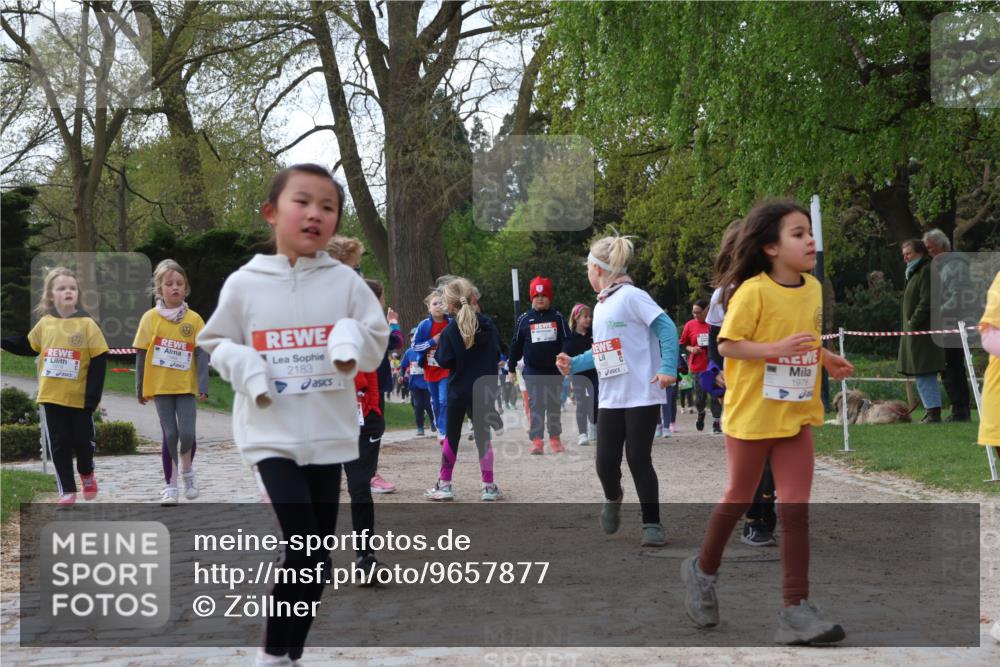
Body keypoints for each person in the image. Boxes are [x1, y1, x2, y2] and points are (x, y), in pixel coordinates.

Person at [197, 163, 388, 666]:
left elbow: (375, 340)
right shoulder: (245, 284)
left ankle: (288, 655)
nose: (314, 214)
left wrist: (347, 339)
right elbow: (214, 341)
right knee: (304, 545)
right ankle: (270, 657)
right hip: (270, 435)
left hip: (328, 437)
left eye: (327, 207)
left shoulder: (345, 284)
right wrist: (248, 368)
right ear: (271, 213)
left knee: (317, 561)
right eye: (302, 202)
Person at [679, 198, 854, 645]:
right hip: (753, 415)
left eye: (809, 232)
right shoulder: (752, 291)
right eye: (798, 234)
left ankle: (795, 610)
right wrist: (775, 350)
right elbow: (729, 347)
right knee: (739, 498)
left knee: (795, 510)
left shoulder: (813, 288)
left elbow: (806, 339)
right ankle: (702, 570)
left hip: (795, 414)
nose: (810, 240)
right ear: (772, 247)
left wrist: (826, 357)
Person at [557, 235, 678, 547]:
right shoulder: (602, 306)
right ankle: (614, 496)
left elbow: (666, 328)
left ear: (596, 269)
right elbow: (604, 352)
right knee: (604, 461)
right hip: (611, 396)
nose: (587, 273)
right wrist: (575, 363)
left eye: (587, 268)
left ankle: (652, 524)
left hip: (642, 392)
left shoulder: (632, 296)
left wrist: (667, 368)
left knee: (638, 457)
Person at [1, 267, 108, 508]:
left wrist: (92, 398)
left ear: (78, 293)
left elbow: (100, 360)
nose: (67, 292)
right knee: (58, 445)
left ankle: (87, 472)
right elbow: (30, 345)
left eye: (72, 288)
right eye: (61, 288)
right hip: (51, 397)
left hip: (80, 400)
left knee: (82, 441)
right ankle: (67, 491)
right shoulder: (45, 323)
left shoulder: (88, 324)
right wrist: (4, 342)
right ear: (51, 295)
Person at [132, 259, 209, 505]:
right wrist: (139, 388)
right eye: (169, 284)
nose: (174, 287)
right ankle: (171, 485)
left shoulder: (195, 320)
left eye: (179, 283)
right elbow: (141, 353)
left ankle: (187, 471)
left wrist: (203, 385)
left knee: (187, 433)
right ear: (160, 288)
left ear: (185, 288)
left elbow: (201, 352)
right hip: (160, 387)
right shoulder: (150, 318)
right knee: (170, 434)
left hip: (186, 387)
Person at [424, 277, 504, 501]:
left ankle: (445, 483)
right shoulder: (487, 325)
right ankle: (488, 486)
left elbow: (443, 361)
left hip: (457, 390)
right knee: (483, 438)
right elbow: (498, 354)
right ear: (472, 298)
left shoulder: (450, 331)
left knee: (452, 437)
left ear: (450, 305)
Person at [509, 276, 570, 454]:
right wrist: (511, 368)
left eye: (544, 295)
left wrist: (565, 356)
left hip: (554, 371)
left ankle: (555, 438)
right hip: (533, 371)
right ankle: (536, 441)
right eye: (536, 296)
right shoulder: (524, 319)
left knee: (553, 404)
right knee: (536, 405)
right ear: (531, 298)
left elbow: (567, 341)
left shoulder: (558, 317)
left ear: (550, 297)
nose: (540, 298)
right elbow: (516, 345)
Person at [923, 228, 973, 422]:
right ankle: (958, 409)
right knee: (949, 367)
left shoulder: (954, 266)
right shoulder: (944, 266)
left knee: (952, 367)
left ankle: (961, 410)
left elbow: (958, 295)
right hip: (949, 322)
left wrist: (938, 312)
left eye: (931, 248)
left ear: (943, 247)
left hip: (954, 323)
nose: (929, 253)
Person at [898, 239, 946, 423]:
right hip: (916, 331)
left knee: (925, 370)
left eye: (908, 253)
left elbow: (928, 300)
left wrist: (914, 321)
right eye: (903, 255)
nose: (905, 258)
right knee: (921, 371)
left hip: (923, 331)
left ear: (920, 252)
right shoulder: (915, 272)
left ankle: (933, 413)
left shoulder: (926, 271)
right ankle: (930, 410)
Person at [413, 290, 451, 442]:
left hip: (446, 369)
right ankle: (438, 423)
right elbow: (415, 346)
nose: (438, 306)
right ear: (429, 308)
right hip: (430, 369)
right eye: (435, 304)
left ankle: (443, 429)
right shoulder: (424, 326)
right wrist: (432, 341)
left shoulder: (451, 323)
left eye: (441, 303)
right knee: (435, 401)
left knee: (444, 400)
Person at [680, 298, 722, 433]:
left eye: (698, 312)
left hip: (713, 366)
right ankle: (701, 413)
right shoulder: (690, 325)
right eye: (693, 313)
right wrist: (691, 349)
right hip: (697, 366)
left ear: (706, 311)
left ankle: (716, 423)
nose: (695, 315)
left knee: (716, 396)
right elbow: (683, 343)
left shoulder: (714, 324)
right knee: (699, 398)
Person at [564, 303, 599, 446]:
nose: (589, 319)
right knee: (581, 402)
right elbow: (565, 354)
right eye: (585, 316)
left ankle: (594, 425)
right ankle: (582, 433)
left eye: (590, 316)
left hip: (595, 373)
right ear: (576, 318)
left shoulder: (595, 333)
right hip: (578, 374)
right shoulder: (569, 336)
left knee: (596, 400)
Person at [401, 329, 435, 436]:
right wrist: (402, 376)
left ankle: (434, 423)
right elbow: (403, 366)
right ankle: (420, 427)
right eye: (411, 336)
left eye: (415, 336)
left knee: (429, 404)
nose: (413, 338)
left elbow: (433, 365)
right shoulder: (409, 352)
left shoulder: (427, 351)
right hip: (414, 384)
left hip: (427, 382)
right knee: (418, 405)